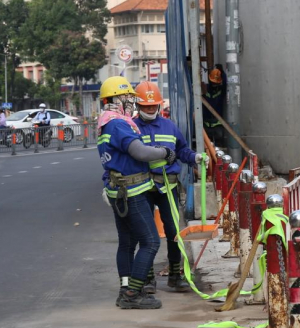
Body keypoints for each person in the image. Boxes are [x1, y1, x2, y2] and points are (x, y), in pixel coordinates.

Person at [97, 76, 176, 309]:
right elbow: (139, 152)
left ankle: (126, 288)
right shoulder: (119, 124)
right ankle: (132, 294)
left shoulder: (106, 122)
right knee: (150, 242)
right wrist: (164, 152)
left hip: (118, 190)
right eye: (128, 98)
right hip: (132, 191)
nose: (131, 102)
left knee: (127, 243)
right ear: (116, 99)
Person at [133, 81, 207, 292]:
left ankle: (176, 274)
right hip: (142, 187)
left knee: (174, 230)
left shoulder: (169, 126)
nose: (150, 109)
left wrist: (195, 158)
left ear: (158, 105)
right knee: (146, 234)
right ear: (138, 106)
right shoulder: (131, 127)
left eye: (153, 105)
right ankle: (147, 279)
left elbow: (182, 150)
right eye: (146, 106)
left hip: (168, 186)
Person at [202, 64, 226, 147]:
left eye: (216, 83)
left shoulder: (221, 91)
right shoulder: (205, 89)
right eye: (213, 83)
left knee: (219, 149)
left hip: (217, 125)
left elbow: (226, 84)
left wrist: (222, 72)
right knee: (207, 149)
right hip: (206, 124)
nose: (214, 84)